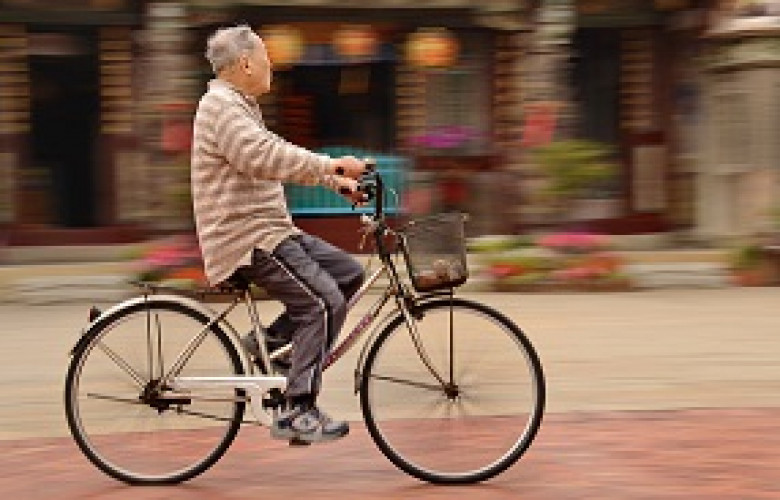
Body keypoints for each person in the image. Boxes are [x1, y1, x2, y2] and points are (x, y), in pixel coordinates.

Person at [191, 25, 367, 444]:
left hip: (271, 231)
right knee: (323, 303)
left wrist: (334, 183)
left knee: (348, 275)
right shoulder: (220, 106)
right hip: (246, 238)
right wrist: (332, 165)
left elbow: (275, 152)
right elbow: (264, 156)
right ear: (246, 62)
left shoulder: (241, 106)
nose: (272, 66)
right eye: (267, 58)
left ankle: (270, 342)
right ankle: (297, 410)